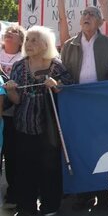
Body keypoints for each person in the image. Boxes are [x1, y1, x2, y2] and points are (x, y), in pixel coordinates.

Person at [3, 26, 73, 216]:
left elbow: (70, 91)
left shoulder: (56, 65)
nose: (29, 43)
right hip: (23, 127)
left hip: (49, 129)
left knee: (49, 169)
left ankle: (50, 206)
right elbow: (17, 100)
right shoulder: (19, 66)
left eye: (34, 40)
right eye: (28, 40)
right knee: (25, 169)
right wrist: (10, 90)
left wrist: (57, 85)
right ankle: (26, 207)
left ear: (45, 44)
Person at [60, 6, 108, 212]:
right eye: (84, 14)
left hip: (102, 106)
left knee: (102, 149)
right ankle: (83, 195)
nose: (87, 17)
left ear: (101, 22)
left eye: (92, 14)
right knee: (79, 150)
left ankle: (103, 195)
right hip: (76, 107)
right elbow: (63, 73)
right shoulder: (69, 45)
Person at [0, 24, 25, 209]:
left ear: (21, 40)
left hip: (12, 114)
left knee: (12, 154)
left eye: (15, 32)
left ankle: (14, 193)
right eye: (9, 31)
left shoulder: (24, 59)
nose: (10, 33)